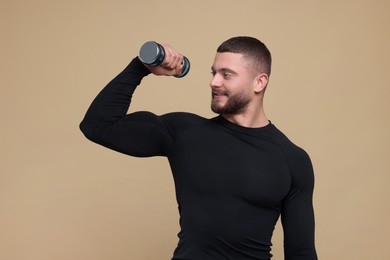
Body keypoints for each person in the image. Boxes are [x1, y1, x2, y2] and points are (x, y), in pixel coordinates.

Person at [80, 36, 317, 260]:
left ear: (259, 82)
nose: (214, 82)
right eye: (214, 73)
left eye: (227, 74)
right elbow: (97, 126)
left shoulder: (293, 160)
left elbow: (301, 252)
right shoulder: (185, 132)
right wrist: (140, 67)